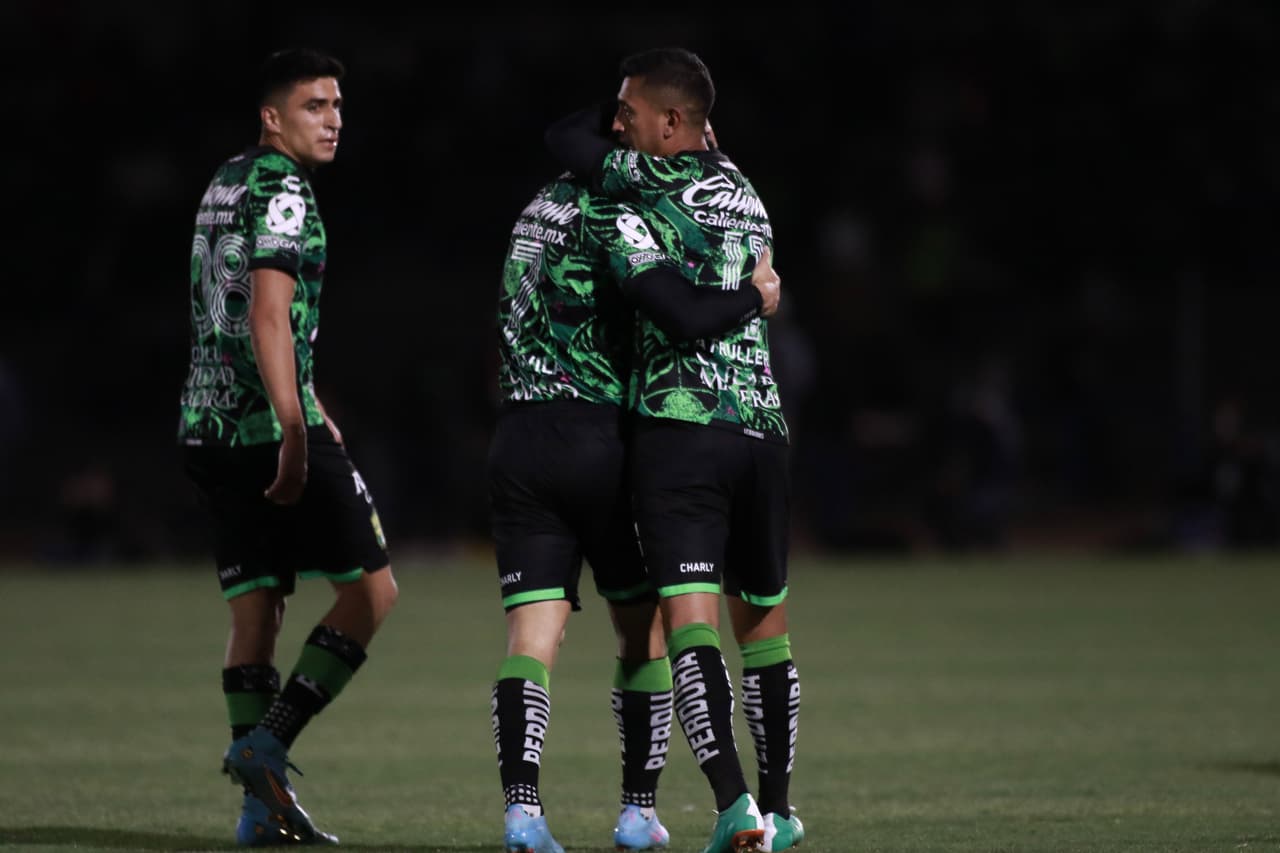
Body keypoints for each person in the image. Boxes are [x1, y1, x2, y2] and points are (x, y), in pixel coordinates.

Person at [545, 48, 805, 853]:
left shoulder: (640, 184)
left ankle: (734, 808)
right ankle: (783, 808)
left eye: (631, 114)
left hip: (681, 430)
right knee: (766, 625)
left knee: (689, 626)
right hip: (762, 429)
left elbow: (561, 138)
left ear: (669, 125)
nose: (615, 125)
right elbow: (673, 129)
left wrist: (614, 123)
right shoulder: (746, 188)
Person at [489, 156, 780, 853]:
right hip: (600, 435)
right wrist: (753, 293)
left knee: (532, 638)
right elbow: (673, 309)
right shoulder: (616, 212)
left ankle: (522, 812)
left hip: (520, 436)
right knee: (642, 632)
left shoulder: (536, 205)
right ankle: (636, 810)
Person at [177, 47, 398, 846]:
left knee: (257, 610)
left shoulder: (223, 182)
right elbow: (268, 313)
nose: (333, 119)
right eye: (314, 105)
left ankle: (260, 810)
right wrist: (296, 423)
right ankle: (264, 743)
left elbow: (223, 311)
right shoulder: (284, 191)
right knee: (372, 594)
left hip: (206, 425)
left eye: (338, 105)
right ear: (272, 117)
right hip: (267, 430)